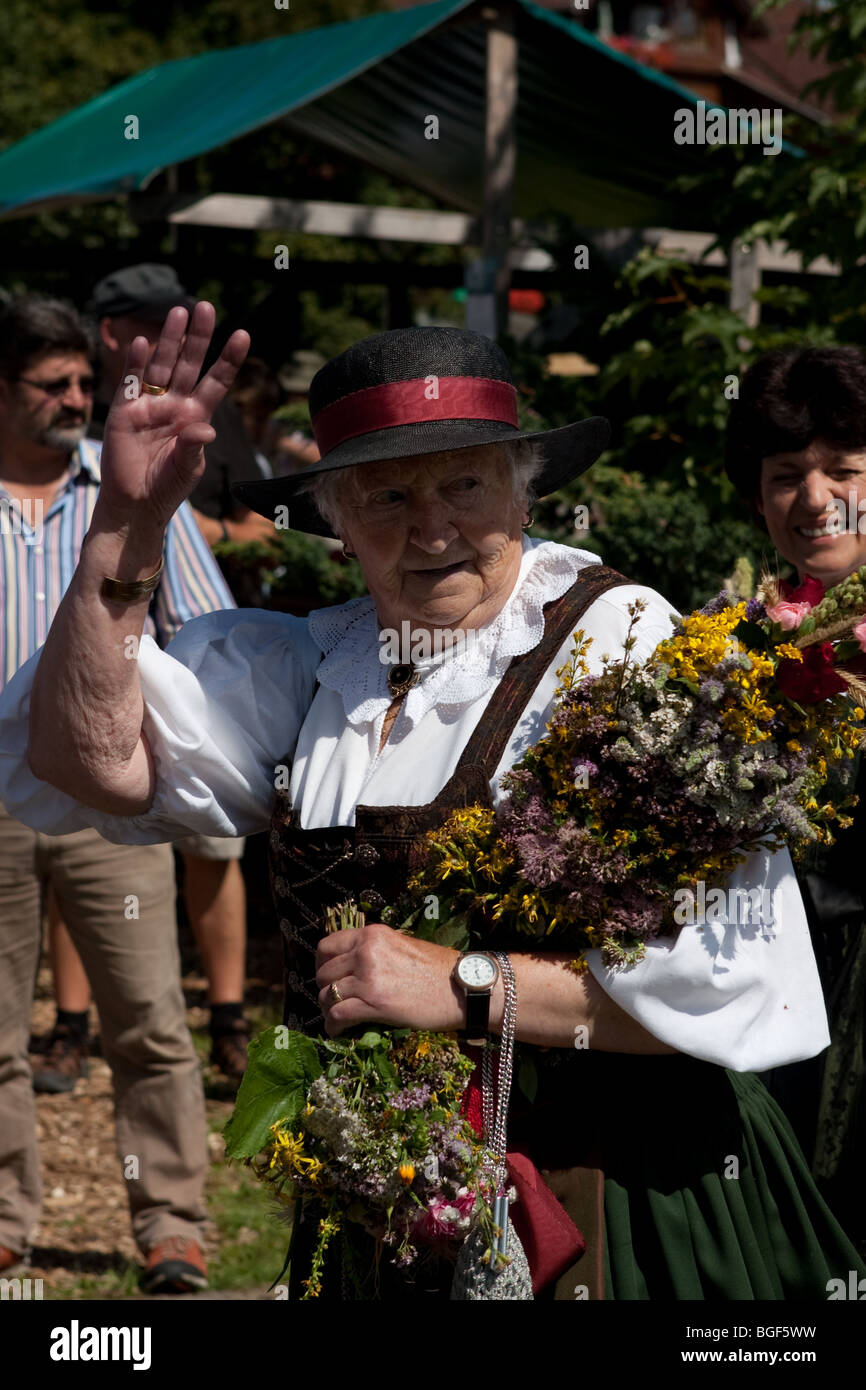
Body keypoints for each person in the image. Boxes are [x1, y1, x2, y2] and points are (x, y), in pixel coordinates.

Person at [0, 304, 862, 1301]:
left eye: (464, 482)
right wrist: (126, 526)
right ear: (333, 521)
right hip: (390, 1213)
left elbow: (732, 987)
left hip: (601, 1209)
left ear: (520, 488)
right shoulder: (322, 663)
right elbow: (86, 759)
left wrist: (465, 981)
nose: (434, 526)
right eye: (387, 495)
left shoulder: (615, 649)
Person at [0, 293, 237, 1291]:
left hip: (111, 806)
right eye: (53, 382)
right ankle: (6, 1218)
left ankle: (171, 1224)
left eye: (84, 382)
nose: (78, 397)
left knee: (147, 1020)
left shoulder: (133, 488)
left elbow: (215, 638)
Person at [725, 345, 866, 1256]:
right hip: (765, 980)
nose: (814, 497)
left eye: (844, 470)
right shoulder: (725, 638)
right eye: (785, 476)